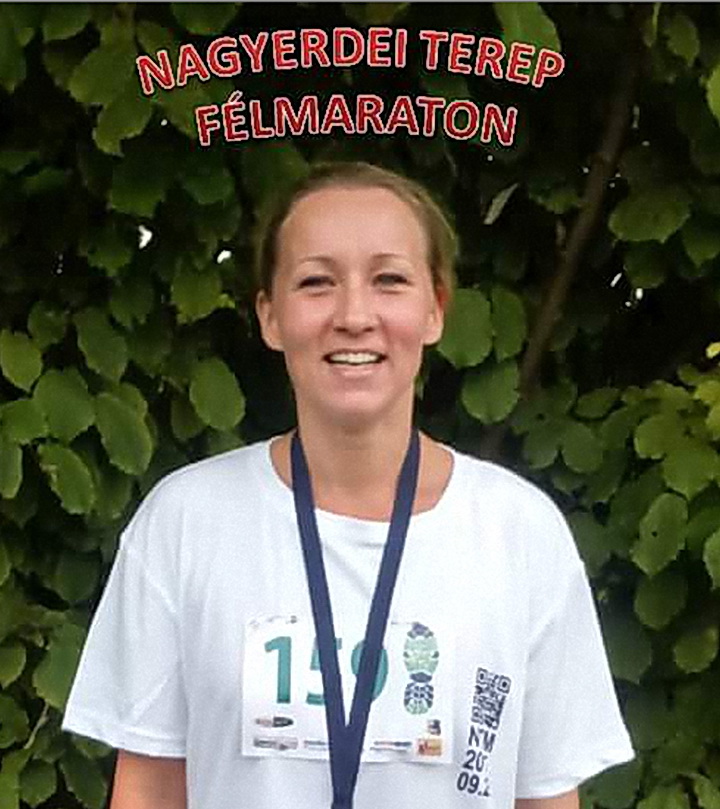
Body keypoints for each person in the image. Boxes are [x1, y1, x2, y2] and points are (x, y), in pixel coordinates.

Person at [61, 161, 634, 809]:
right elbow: (148, 791)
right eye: (316, 282)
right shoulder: (186, 520)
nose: (355, 314)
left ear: (434, 310)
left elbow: (545, 797)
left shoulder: (520, 533)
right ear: (270, 316)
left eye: (389, 279)